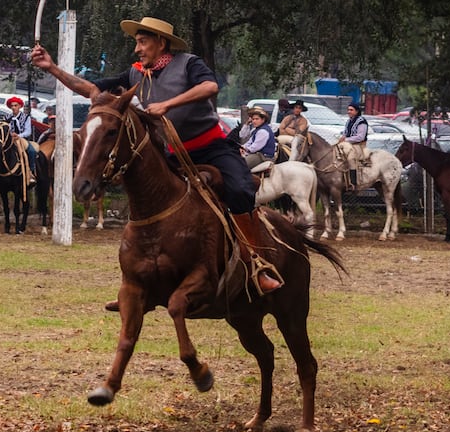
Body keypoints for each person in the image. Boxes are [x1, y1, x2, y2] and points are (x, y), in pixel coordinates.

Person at [30, 15, 282, 295]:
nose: (137, 49)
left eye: (142, 42)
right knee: (147, 195)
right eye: (136, 43)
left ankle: (256, 264)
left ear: (161, 43)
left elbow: (210, 87)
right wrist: (52, 68)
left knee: (240, 189)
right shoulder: (135, 73)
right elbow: (91, 89)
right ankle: (138, 285)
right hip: (171, 154)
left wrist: (167, 104)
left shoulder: (189, 63)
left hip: (211, 148)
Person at [6, 96, 38, 185]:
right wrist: (9, 135)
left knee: (31, 151)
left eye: (15, 105)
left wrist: (19, 135)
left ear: (20, 106)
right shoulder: (7, 117)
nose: (13, 107)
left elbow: (28, 131)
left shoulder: (26, 117)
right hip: (10, 139)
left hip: (21, 138)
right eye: (12, 106)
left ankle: (31, 172)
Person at [336, 102, 369, 189]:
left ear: (357, 111)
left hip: (359, 146)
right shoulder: (349, 121)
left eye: (351, 110)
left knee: (350, 158)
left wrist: (346, 139)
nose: (349, 112)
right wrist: (341, 138)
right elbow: (345, 133)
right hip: (348, 144)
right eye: (348, 110)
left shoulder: (362, 122)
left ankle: (353, 183)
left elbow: (360, 137)